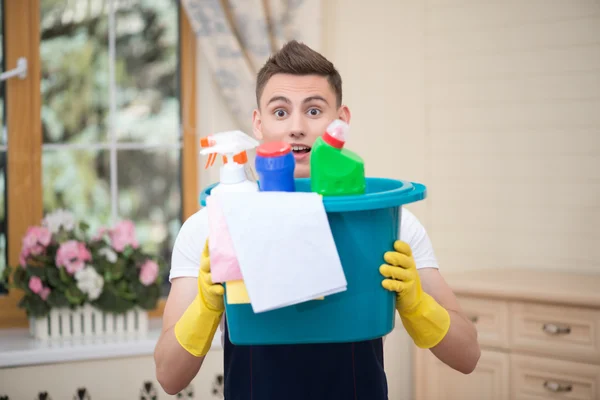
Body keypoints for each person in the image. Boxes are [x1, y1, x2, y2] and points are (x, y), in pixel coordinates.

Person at [154, 40, 480, 399]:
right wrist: (206, 304)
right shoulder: (210, 226)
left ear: (341, 121)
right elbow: (169, 378)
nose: (296, 127)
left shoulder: (389, 224)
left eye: (313, 111)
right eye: (280, 112)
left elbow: (467, 356)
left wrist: (418, 304)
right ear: (258, 124)